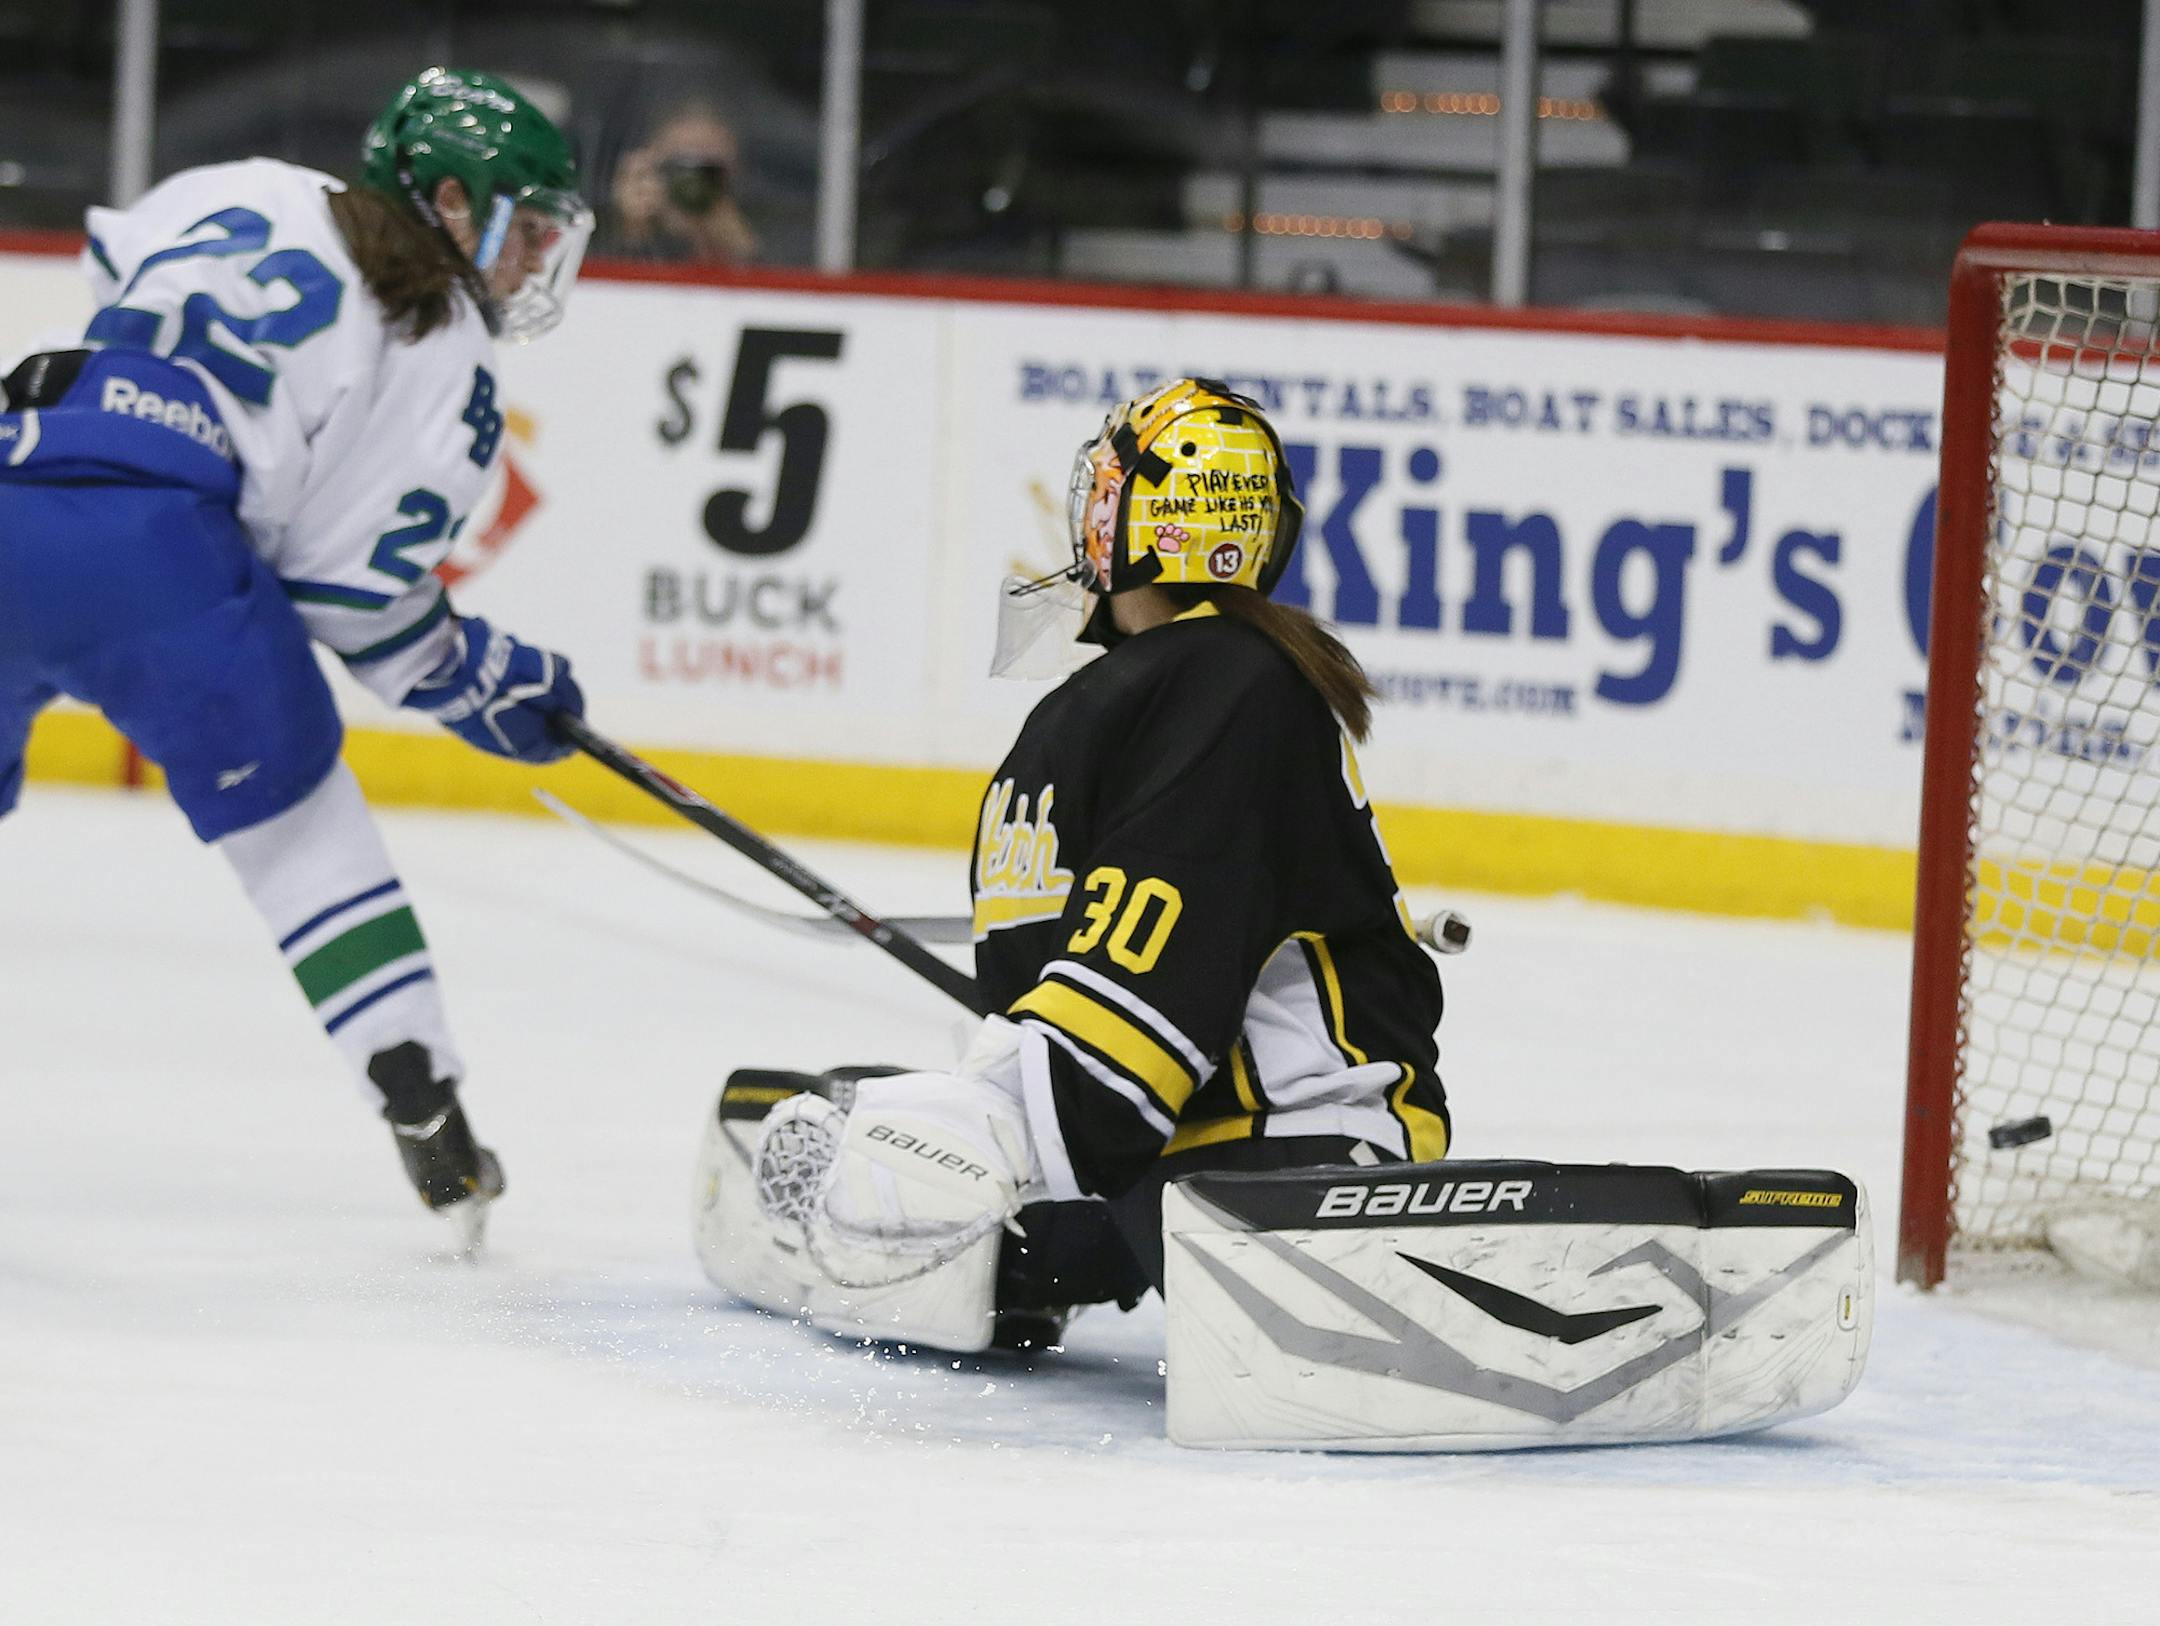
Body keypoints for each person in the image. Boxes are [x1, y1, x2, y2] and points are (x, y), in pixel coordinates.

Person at [705, 378, 1451, 1347]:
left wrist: (991, 1134)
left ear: (1132, 516)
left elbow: (1132, 1015)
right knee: (869, 1111)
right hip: (1160, 1162)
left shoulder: (1225, 681)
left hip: (1299, 1151)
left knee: (900, 1153)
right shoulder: (1134, 696)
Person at [0, 68, 593, 1238]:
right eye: (523, 229)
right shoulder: (444, 349)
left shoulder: (246, 188)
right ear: (453, 202)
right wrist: (485, 680)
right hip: (158, 566)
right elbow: (350, 599)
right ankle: (420, 1098)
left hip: (11, 465)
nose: (532, 263)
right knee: (299, 833)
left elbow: (117, 273)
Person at [603, 102, 757, 265]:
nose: (692, 185)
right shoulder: (607, 232)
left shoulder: (769, 224)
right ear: (651, 167)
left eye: (707, 172)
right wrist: (632, 232)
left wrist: (743, 254)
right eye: (679, 168)